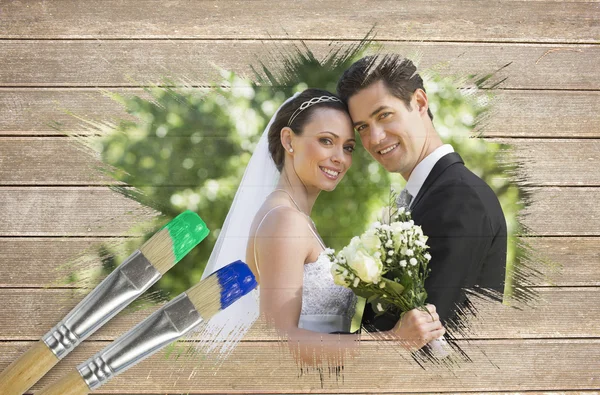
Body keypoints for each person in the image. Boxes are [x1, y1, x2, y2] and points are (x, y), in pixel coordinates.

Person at [202, 88, 445, 365]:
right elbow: (276, 341)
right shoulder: (285, 221)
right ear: (288, 140)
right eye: (326, 141)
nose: (340, 158)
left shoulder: (292, 217)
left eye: (348, 147)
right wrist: (390, 342)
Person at [336, 54, 508, 333]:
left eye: (384, 115)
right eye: (362, 127)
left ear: (419, 103)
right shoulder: (424, 197)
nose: (375, 138)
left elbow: (433, 344)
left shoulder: (460, 199)